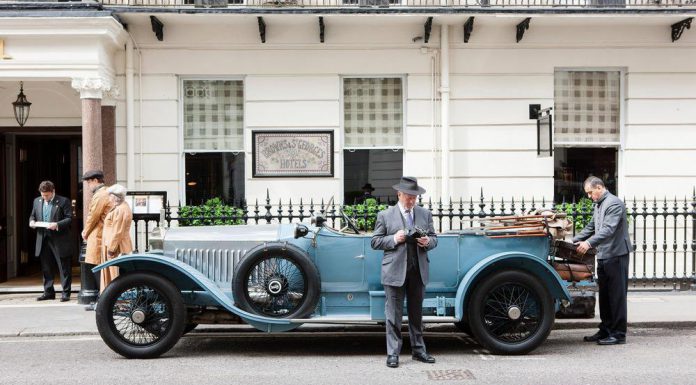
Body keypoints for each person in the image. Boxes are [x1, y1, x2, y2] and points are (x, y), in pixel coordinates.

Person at [371, 176, 438, 368]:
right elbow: (375, 241)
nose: (412, 201)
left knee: (416, 314)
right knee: (393, 315)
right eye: (409, 197)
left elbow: (434, 238)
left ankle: (419, 351)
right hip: (394, 271)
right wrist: (394, 238)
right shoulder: (385, 215)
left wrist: (428, 242)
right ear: (399, 194)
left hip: (418, 271)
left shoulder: (425, 214)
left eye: (415, 197)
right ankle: (393, 354)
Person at [574, 176, 632, 345]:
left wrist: (589, 243)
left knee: (617, 296)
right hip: (604, 254)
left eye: (591, 192)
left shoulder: (613, 203)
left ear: (599, 187)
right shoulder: (599, 204)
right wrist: (573, 241)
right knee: (605, 296)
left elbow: (608, 229)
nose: (590, 196)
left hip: (617, 254)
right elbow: (592, 227)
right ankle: (606, 329)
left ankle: (619, 334)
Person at [29, 181, 73, 302]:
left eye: (47, 195)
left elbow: (69, 218)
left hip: (59, 239)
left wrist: (57, 224)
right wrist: (32, 222)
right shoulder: (37, 201)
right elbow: (33, 215)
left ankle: (66, 293)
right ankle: (48, 292)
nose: (45, 198)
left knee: (63, 267)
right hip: (43, 238)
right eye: (43, 195)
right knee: (46, 267)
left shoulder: (63, 201)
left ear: (53, 191)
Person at [81, 170, 111, 310]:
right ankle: (102, 299)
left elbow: (93, 216)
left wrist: (85, 232)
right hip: (100, 235)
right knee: (99, 269)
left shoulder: (100, 195)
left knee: (99, 269)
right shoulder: (104, 193)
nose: (88, 185)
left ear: (95, 180)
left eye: (88, 182)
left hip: (99, 236)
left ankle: (102, 302)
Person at [100, 184, 133, 293]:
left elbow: (117, 231)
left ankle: (114, 299)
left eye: (110, 196)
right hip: (112, 245)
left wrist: (111, 249)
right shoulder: (119, 207)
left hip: (117, 247)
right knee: (111, 274)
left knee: (115, 275)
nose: (109, 198)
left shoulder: (121, 209)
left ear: (115, 197)